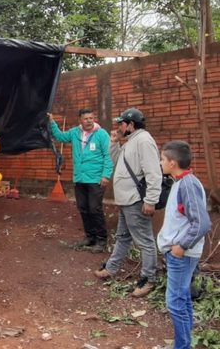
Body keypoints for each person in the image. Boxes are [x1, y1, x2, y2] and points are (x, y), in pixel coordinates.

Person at [94, 107, 162, 297]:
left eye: (121, 124)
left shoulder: (144, 141)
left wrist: (150, 200)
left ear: (131, 125)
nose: (118, 127)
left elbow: (153, 173)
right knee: (123, 237)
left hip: (135, 201)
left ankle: (149, 278)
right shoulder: (132, 141)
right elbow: (118, 162)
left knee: (145, 241)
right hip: (126, 201)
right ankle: (112, 268)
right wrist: (114, 143)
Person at [157, 141, 211, 349]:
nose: (160, 162)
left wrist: (181, 246)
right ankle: (184, 344)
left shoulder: (187, 184)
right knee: (183, 299)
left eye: (162, 159)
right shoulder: (181, 182)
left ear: (172, 162)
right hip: (181, 253)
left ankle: (182, 346)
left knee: (175, 302)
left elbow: (202, 223)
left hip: (182, 254)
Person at [48, 109, 113, 252]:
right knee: (83, 208)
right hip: (80, 178)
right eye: (86, 118)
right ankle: (90, 237)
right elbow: (60, 137)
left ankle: (101, 240)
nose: (89, 120)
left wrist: (106, 175)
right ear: (80, 120)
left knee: (94, 208)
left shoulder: (101, 134)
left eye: (91, 118)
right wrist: (52, 122)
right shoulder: (74, 133)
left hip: (96, 178)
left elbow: (108, 156)